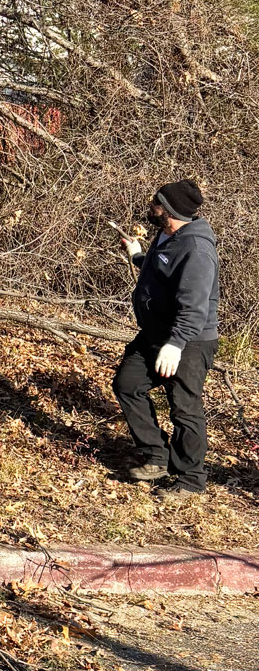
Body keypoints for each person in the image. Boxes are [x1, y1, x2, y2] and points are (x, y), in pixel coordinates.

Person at [111, 178, 220, 502]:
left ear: (169, 210)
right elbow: (162, 271)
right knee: (127, 384)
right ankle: (157, 456)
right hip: (156, 333)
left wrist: (176, 344)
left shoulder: (196, 250)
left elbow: (195, 307)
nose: (151, 206)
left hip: (190, 340)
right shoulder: (167, 235)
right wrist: (137, 256)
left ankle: (190, 480)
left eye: (156, 203)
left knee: (184, 408)